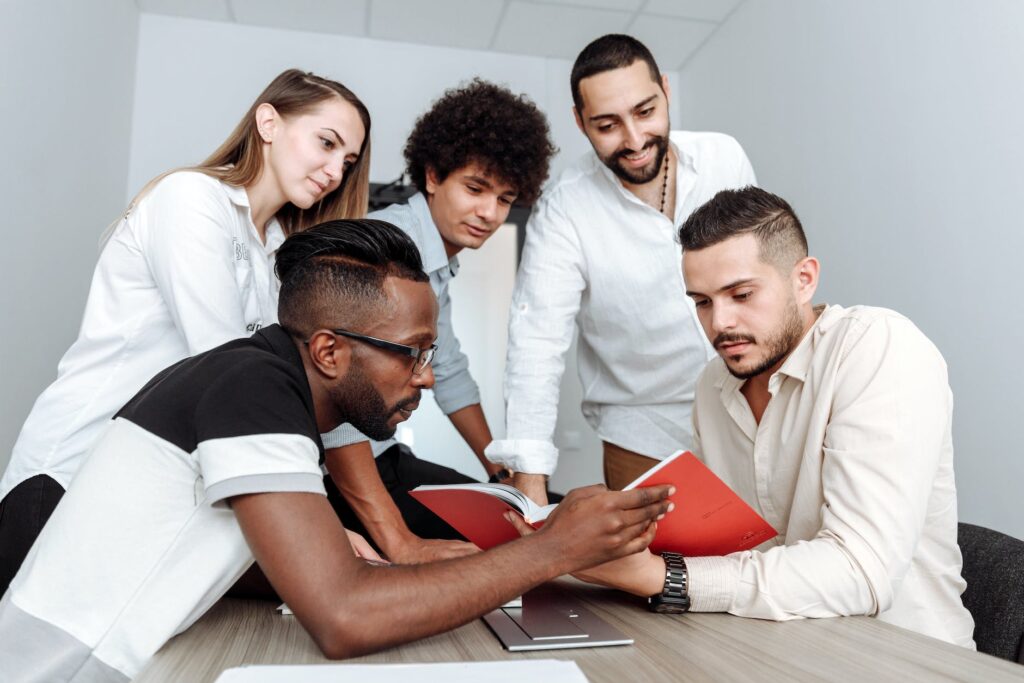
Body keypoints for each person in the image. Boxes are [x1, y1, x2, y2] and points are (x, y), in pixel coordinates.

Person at [0, 220, 673, 682]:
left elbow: (285, 571)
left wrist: (401, 566)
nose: (427, 376)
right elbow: (342, 617)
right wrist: (552, 548)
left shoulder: (260, 380)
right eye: (413, 354)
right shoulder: (251, 389)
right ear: (328, 350)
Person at [537, 186, 974, 647]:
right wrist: (590, 547)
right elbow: (720, 541)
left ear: (803, 279)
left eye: (741, 294)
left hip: (904, 658)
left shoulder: (879, 348)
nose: (719, 323)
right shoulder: (713, 384)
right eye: (702, 302)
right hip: (777, 645)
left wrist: (664, 577)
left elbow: (861, 571)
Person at [0, 69, 372, 594]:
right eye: (327, 143)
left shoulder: (277, 255)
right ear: (268, 122)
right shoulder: (191, 199)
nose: (335, 171)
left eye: (348, 162)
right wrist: (318, 525)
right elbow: (228, 371)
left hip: (145, 498)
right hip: (68, 481)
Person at [485, 34, 757, 504]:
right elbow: (536, 344)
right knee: (656, 574)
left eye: (646, 111)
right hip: (643, 434)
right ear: (580, 122)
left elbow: (762, 273)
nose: (634, 140)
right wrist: (530, 486)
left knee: (765, 564)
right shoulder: (564, 210)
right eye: (607, 125)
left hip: (749, 409)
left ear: (666, 91)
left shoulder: (722, 158)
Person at [323, 79, 557, 563]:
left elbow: (448, 371)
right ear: (432, 176)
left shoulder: (435, 264)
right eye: (475, 188)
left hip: (384, 458)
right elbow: (335, 390)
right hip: (341, 472)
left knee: (520, 518)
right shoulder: (389, 249)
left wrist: (500, 474)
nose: (489, 213)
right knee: (504, 542)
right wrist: (395, 539)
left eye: (505, 199)